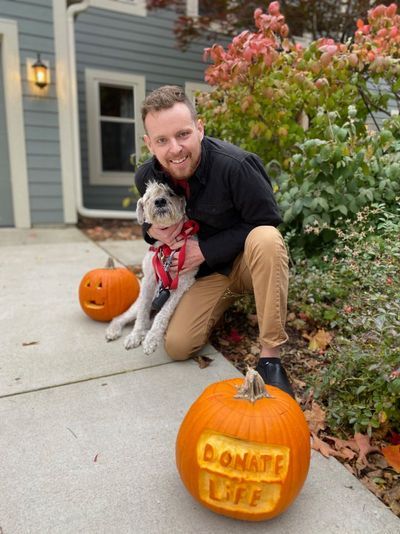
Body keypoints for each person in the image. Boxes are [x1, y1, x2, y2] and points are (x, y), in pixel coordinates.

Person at [135, 85, 293, 397]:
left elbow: (268, 220)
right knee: (178, 346)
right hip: (207, 277)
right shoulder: (147, 178)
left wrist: (204, 249)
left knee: (266, 238)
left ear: (200, 128)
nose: (175, 148)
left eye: (183, 134)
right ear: (149, 143)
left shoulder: (237, 166)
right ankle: (223, 306)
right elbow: (148, 220)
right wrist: (151, 232)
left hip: (247, 263)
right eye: (162, 140)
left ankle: (271, 357)